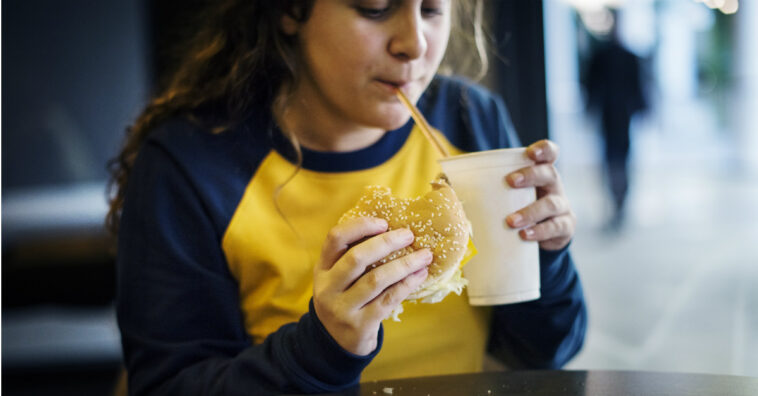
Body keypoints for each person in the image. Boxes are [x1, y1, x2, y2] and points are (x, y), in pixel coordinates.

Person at [107, 1, 587, 395]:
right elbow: (168, 386)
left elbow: (548, 350)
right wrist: (322, 349)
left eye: (433, 10)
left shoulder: (471, 119)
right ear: (289, 12)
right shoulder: (188, 165)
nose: (414, 44)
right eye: (376, 8)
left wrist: (544, 256)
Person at [585, 10, 648, 230]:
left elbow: (638, 85)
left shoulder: (627, 56)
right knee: (612, 160)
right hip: (609, 117)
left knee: (621, 159)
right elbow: (591, 85)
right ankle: (616, 200)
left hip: (622, 117)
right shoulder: (601, 56)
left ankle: (621, 201)